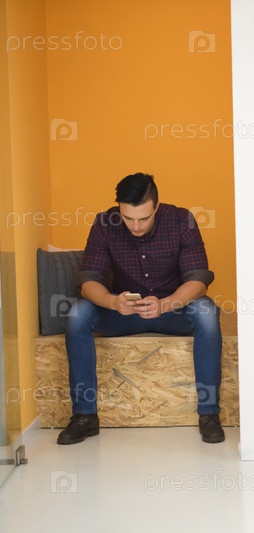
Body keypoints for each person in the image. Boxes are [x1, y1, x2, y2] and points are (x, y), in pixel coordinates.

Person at [59, 173, 224, 445]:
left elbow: (198, 281)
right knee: (78, 314)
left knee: (206, 313)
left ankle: (209, 415)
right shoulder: (104, 223)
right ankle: (84, 417)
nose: (135, 226)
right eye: (128, 218)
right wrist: (113, 302)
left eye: (144, 218)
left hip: (172, 310)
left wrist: (165, 304)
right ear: (119, 209)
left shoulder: (181, 220)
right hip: (123, 313)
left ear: (156, 207)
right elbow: (88, 282)